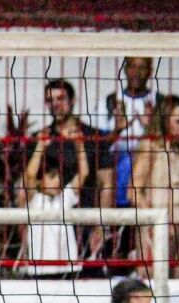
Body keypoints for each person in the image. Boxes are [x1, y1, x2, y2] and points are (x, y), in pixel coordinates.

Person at [23, 79, 116, 265]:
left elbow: (106, 184)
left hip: (85, 220)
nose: (55, 104)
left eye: (61, 98)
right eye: (50, 100)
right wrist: (26, 232)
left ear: (72, 101)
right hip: (50, 224)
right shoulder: (40, 140)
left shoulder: (93, 138)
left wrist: (101, 225)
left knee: (88, 281)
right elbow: (27, 184)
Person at [129, 94, 179, 276]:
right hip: (157, 228)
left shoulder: (178, 148)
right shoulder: (150, 146)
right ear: (164, 120)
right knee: (152, 285)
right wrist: (155, 221)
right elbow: (134, 191)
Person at [103, 57, 159, 261]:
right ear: (124, 70)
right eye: (132, 66)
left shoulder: (159, 102)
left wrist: (150, 127)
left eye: (142, 67)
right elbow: (99, 145)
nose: (136, 72)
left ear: (150, 71)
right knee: (117, 247)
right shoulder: (109, 101)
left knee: (145, 245)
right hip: (118, 183)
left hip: (149, 184)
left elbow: (168, 144)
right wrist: (118, 129)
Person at [15, 155, 87, 279]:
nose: (57, 181)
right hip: (41, 269)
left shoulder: (66, 196)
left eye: (59, 177)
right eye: (52, 177)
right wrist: (41, 143)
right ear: (39, 180)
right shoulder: (34, 200)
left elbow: (84, 173)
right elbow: (30, 175)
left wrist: (79, 144)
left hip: (68, 268)